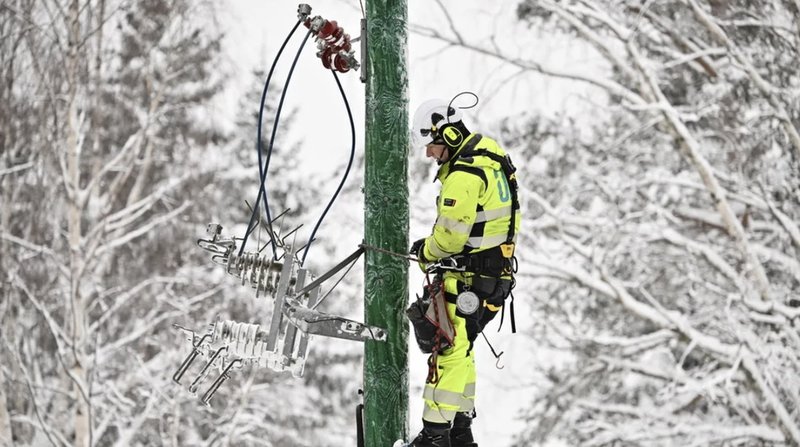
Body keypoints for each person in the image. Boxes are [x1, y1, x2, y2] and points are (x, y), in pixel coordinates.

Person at [405, 97, 521, 447]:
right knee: (464, 348)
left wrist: (427, 251)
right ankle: (459, 431)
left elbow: (452, 235)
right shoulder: (489, 153)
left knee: (449, 351)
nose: (428, 154)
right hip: (493, 277)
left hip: (471, 279)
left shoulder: (464, 174)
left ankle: (435, 437)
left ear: (449, 134)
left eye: (431, 145)